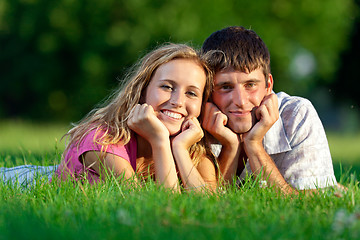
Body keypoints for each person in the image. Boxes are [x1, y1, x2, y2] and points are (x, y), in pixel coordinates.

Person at [53, 43, 217, 192]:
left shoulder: (192, 147)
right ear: (142, 91)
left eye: (191, 93)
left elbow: (208, 206)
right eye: (167, 87)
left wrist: (180, 149)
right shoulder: (101, 139)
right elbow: (162, 206)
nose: (178, 101)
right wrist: (159, 141)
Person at [201, 26, 337, 195]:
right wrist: (230, 147)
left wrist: (254, 145)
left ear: (268, 85)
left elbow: (306, 207)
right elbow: (209, 201)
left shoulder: (296, 114)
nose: (240, 101)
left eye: (250, 85)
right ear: (208, 90)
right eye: (225, 87)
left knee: (333, 192)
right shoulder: (195, 121)